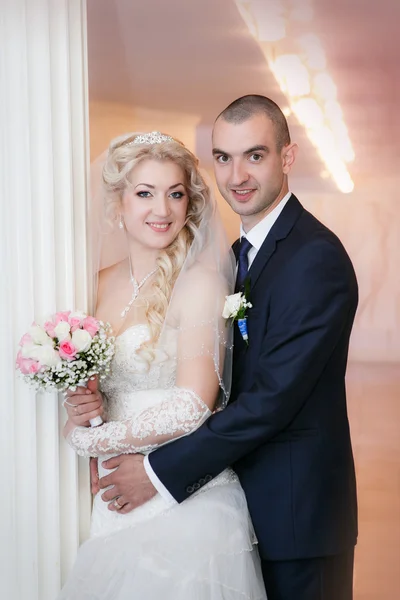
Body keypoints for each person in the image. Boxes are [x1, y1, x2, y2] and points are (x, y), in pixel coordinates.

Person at [72, 95, 359, 600]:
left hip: (296, 513)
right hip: (240, 496)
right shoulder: (237, 256)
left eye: (255, 155)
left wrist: (156, 469)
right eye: (223, 158)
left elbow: (272, 399)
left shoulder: (313, 257)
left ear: (287, 158)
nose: (237, 175)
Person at [58, 131, 267, 599]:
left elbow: (192, 406)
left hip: (185, 498)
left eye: (175, 194)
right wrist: (79, 419)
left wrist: (93, 440)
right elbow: (85, 398)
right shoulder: (92, 286)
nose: (163, 209)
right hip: (112, 499)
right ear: (117, 204)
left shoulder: (200, 284)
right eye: (145, 193)